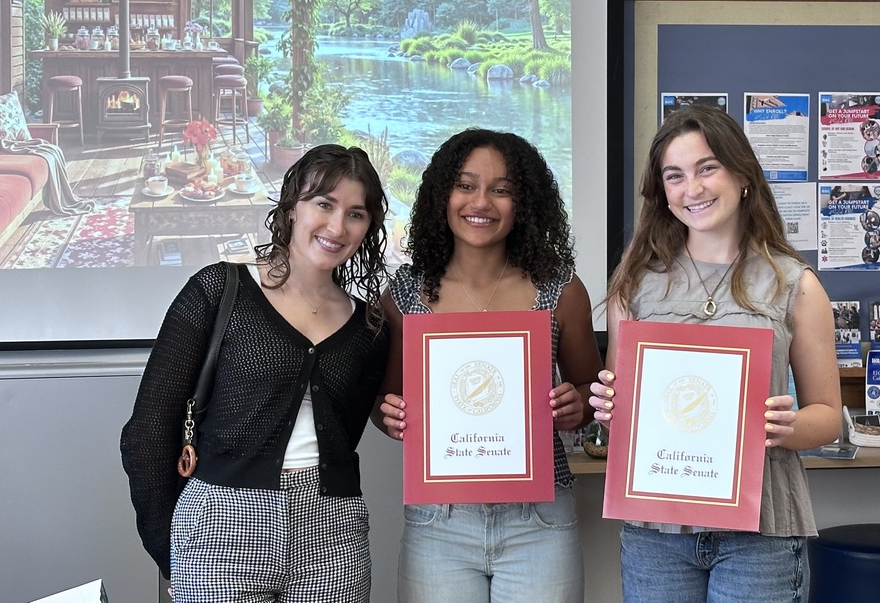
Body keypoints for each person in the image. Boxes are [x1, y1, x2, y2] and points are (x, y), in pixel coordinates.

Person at [590, 105, 841, 603]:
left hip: (762, 532)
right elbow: (625, 421)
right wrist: (609, 410)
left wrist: (789, 428)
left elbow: (828, 417)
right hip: (655, 532)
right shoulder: (634, 286)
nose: (694, 189)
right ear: (662, 191)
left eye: (708, 168)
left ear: (742, 174)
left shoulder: (797, 285)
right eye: (675, 176)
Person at [120, 144, 391, 603]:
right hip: (219, 525)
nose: (337, 226)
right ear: (291, 208)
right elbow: (147, 432)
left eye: (356, 213)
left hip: (335, 533)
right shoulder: (219, 289)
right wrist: (173, 551)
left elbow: (344, 438)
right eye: (323, 204)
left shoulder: (370, 328)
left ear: (368, 227)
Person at [374, 128, 603, 603]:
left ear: (525, 204)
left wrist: (576, 404)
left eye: (502, 190)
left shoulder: (560, 290)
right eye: (466, 184)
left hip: (540, 518)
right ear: (442, 193)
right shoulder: (404, 295)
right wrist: (389, 414)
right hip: (440, 518)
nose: (481, 201)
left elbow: (591, 392)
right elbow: (384, 401)